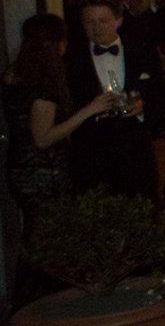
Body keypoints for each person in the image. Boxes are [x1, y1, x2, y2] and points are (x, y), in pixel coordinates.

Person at [5, 14, 111, 226]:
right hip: (44, 170)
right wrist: (91, 109)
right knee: (52, 231)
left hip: (19, 164)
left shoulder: (14, 74)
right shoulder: (44, 84)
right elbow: (43, 139)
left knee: (35, 229)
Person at [65, 0, 161, 200]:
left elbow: (160, 94)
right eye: (89, 22)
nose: (97, 27)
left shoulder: (143, 50)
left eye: (103, 20)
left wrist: (142, 106)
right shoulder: (71, 59)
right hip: (90, 152)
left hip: (134, 149)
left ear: (119, 20)